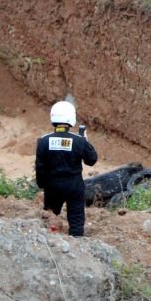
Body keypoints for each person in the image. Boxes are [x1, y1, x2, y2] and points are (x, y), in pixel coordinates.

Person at [35, 101, 98, 237]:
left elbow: (40, 167)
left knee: (51, 217)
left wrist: (42, 185)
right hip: (74, 186)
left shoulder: (43, 141)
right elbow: (91, 160)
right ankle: (77, 247)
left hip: (52, 186)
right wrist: (85, 142)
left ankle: (50, 241)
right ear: (71, 118)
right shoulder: (79, 140)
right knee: (76, 221)